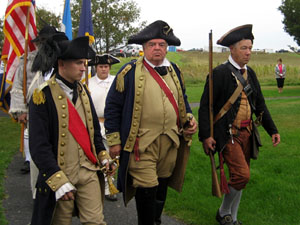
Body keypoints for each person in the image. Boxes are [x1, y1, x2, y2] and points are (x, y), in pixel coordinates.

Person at [104, 20, 198, 225]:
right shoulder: (128, 72)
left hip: (171, 142)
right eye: (152, 45)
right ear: (144, 48)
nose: (157, 48)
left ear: (166, 48)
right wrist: (114, 140)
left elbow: (182, 101)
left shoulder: (175, 70)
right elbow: (112, 107)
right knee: (146, 188)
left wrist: (189, 118)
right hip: (141, 145)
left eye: (161, 45)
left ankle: (155, 220)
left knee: (161, 186)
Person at [198, 24, 280, 225]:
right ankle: (223, 211)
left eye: (250, 48)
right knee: (242, 175)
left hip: (247, 134)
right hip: (228, 135)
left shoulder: (250, 73)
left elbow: (259, 103)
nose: (248, 52)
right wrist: (206, 136)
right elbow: (205, 107)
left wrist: (272, 130)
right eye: (244, 48)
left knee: (240, 178)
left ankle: (233, 219)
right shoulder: (219, 73)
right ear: (232, 49)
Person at [29, 35, 114, 225]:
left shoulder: (83, 91)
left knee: (96, 221)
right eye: (78, 63)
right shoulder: (42, 96)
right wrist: (56, 179)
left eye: (84, 63)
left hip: (88, 170)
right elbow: (39, 145)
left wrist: (102, 155)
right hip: (61, 171)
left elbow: (92, 132)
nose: (84, 68)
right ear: (61, 64)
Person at [9, 25, 62, 198]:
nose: (45, 44)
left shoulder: (62, 59)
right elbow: (18, 86)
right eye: (43, 41)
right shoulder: (28, 60)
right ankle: (38, 192)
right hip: (35, 113)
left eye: (49, 41)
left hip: (59, 113)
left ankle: (60, 189)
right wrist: (20, 110)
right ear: (38, 42)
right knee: (37, 155)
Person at [89, 54, 120, 201]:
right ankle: (96, 185)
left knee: (113, 156)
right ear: (96, 68)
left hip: (113, 124)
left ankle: (109, 186)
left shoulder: (116, 81)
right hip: (95, 124)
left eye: (106, 67)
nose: (103, 69)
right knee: (97, 156)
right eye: (101, 67)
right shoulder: (88, 84)